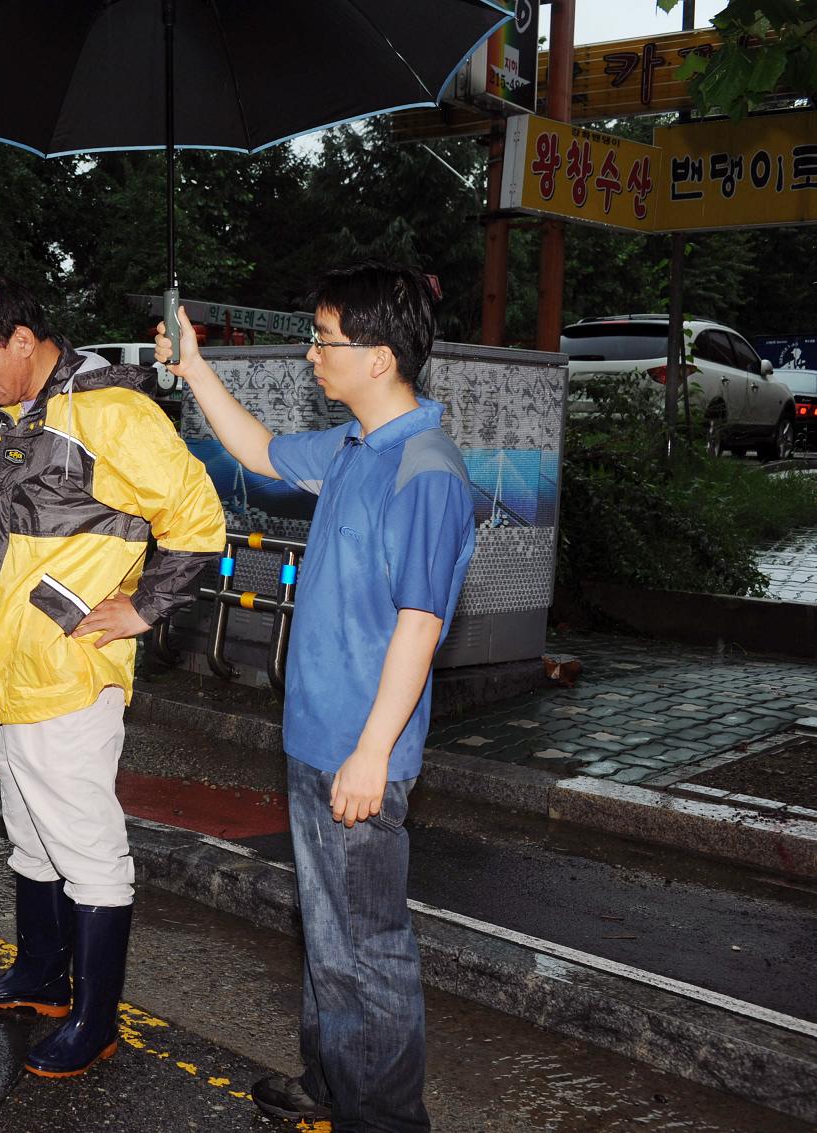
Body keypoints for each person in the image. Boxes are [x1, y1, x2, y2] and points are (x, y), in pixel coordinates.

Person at [156, 261, 475, 1131]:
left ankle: (382, 1115)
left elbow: (418, 624)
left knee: (367, 947)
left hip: (357, 751)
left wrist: (371, 752)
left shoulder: (424, 470)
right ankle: (333, 1082)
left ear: (378, 357)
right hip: (316, 736)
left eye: (325, 340)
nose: (311, 355)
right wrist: (194, 367)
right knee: (327, 932)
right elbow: (257, 450)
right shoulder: (351, 448)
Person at [0, 274, 224, 1078]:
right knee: (33, 837)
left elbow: (197, 519)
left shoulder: (107, 410)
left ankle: (95, 1020)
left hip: (66, 677)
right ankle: (40, 976)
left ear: (21, 339)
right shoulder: (32, 412)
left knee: (90, 851)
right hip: (13, 676)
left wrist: (146, 607)